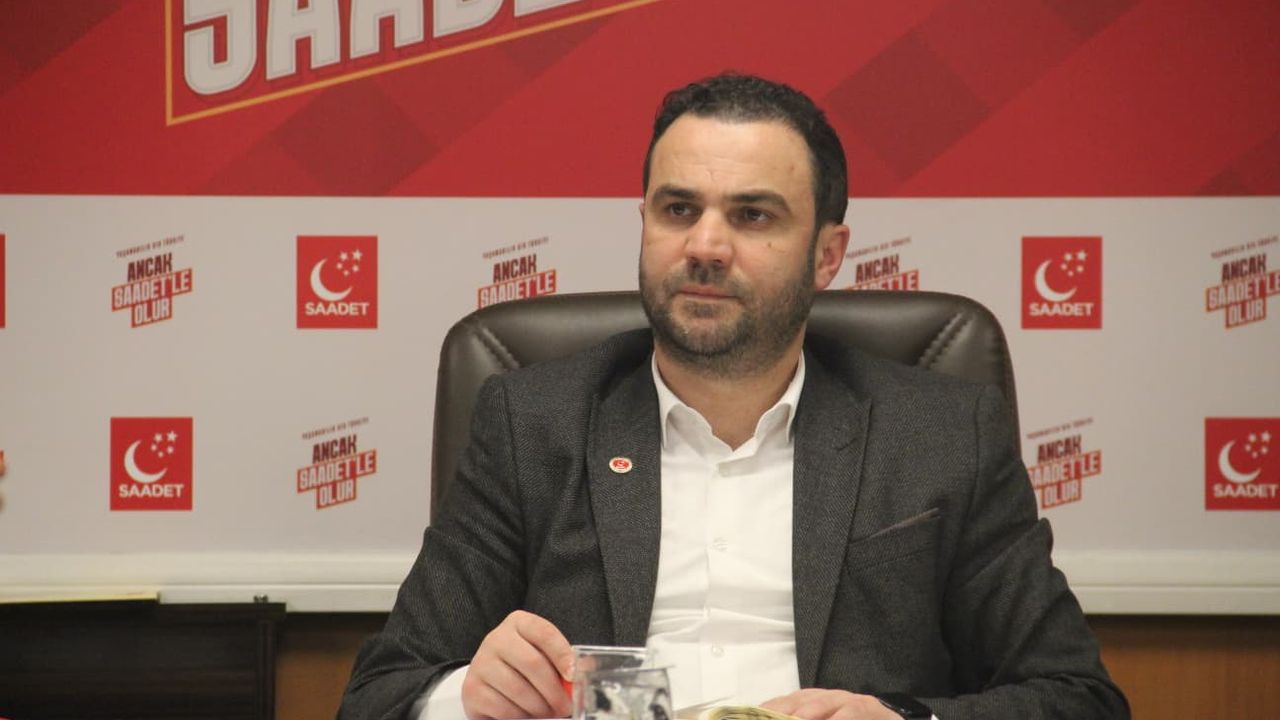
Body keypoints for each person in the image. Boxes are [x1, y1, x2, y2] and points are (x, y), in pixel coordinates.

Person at [339, 73, 1128, 720]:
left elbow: (1079, 699)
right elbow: (379, 696)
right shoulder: (532, 423)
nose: (705, 246)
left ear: (827, 255)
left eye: (752, 215)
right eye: (678, 210)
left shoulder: (942, 434)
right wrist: (466, 696)